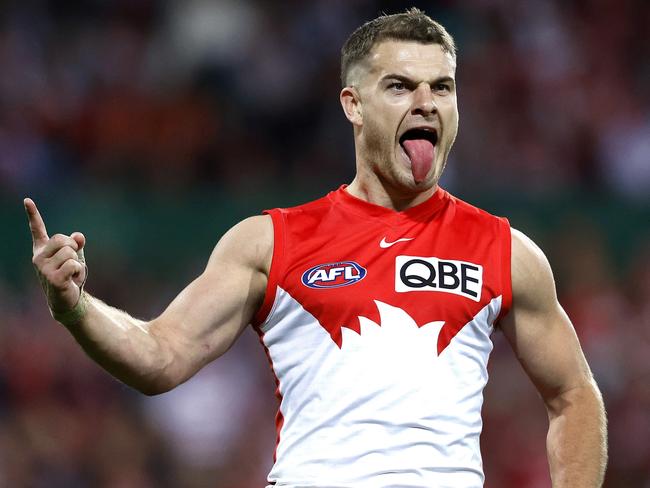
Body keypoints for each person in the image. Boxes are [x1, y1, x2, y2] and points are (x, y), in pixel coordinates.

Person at [25, 8, 607, 488]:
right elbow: (161, 356)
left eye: (443, 87)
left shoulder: (506, 251)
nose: (426, 102)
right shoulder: (271, 241)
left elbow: (575, 394)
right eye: (401, 86)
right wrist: (75, 307)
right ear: (354, 105)